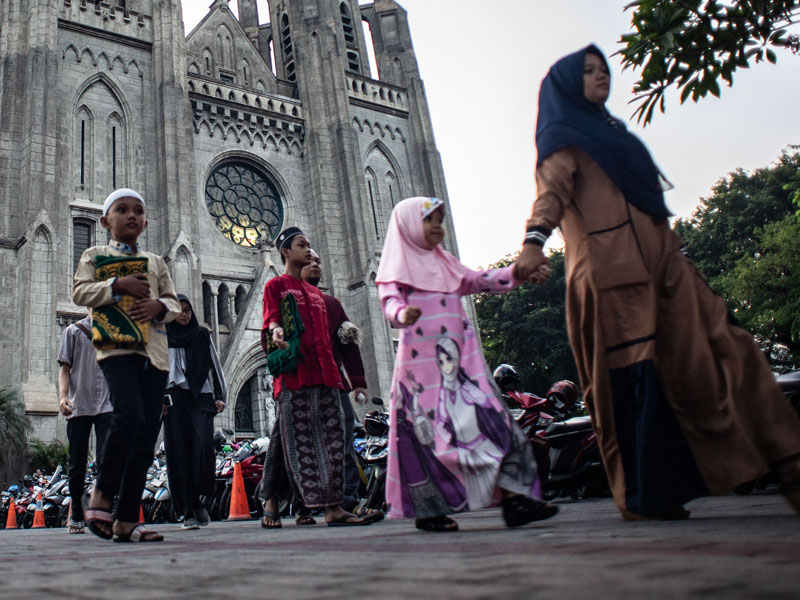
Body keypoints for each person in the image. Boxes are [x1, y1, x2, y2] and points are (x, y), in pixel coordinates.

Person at [515, 44, 800, 520]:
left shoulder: (615, 137)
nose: (600, 76)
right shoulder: (564, 140)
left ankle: (787, 459)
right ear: (566, 84)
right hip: (615, 279)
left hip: (670, 272)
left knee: (732, 350)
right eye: (587, 71)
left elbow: (650, 205)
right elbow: (552, 194)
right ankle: (649, 493)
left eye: (603, 69)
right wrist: (534, 241)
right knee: (638, 384)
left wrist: (679, 252)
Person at [376, 196, 558, 532]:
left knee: (492, 425)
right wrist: (402, 313)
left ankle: (515, 500)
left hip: (459, 371)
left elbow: (480, 280)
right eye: (430, 219)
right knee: (427, 439)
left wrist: (519, 271)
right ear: (409, 225)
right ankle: (429, 511)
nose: (438, 227)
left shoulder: (445, 264)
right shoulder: (396, 269)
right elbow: (389, 302)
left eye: (440, 220)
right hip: (421, 377)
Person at [73, 188, 181, 542]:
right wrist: (116, 285)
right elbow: (80, 292)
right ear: (106, 221)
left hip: (155, 354)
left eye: (138, 211)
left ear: (146, 222)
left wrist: (160, 308)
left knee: (146, 437)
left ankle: (125, 520)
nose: (131, 215)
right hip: (117, 349)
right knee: (128, 416)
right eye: (122, 210)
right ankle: (102, 492)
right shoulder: (94, 254)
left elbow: (174, 302)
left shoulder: (156, 262)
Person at [258, 227, 372, 528]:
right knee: (295, 446)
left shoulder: (321, 298)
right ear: (285, 251)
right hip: (296, 379)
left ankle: (334, 508)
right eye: (302, 245)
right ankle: (275, 499)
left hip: (329, 380)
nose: (309, 251)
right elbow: (271, 317)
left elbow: (330, 340)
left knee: (335, 444)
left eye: (310, 245)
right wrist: (276, 330)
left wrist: (350, 379)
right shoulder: (276, 286)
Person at [300, 249, 382, 522]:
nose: (315, 265)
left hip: (335, 384)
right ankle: (304, 506)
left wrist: (358, 382)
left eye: (318, 262)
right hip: (302, 386)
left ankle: (348, 501)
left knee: (346, 439)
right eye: (309, 261)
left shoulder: (332, 304)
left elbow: (348, 342)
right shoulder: (289, 302)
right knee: (304, 444)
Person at [164, 295, 227, 530]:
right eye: (179, 310)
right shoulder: (163, 337)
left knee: (202, 445)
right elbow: (156, 369)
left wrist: (220, 396)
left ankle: (202, 495)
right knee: (179, 454)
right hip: (173, 398)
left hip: (200, 396)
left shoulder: (202, 335)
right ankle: (188, 509)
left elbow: (214, 365)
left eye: (187, 310)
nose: (184, 314)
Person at [57, 310, 114, 534]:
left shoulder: (114, 334)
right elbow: (65, 369)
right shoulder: (73, 332)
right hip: (79, 404)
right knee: (77, 464)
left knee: (106, 461)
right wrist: (63, 397)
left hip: (107, 405)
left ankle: (103, 511)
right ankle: (77, 516)